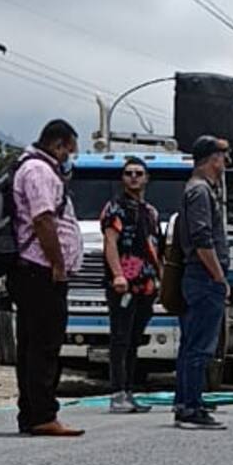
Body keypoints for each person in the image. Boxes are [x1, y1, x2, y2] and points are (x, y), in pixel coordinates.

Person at [10, 119, 84, 437]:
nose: (70, 157)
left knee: (31, 343)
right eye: (70, 150)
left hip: (33, 270)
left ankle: (31, 412)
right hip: (39, 270)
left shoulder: (31, 167)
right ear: (58, 145)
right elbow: (43, 220)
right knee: (44, 344)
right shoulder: (39, 171)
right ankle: (42, 414)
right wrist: (57, 263)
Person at [174, 135, 231, 431]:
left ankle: (186, 400)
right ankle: (191, 408)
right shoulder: (199, 192)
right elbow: (201, 239)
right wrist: (219, 276)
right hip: (203, 277)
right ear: (212, 159)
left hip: (198, 276)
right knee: (200, 345)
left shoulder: (202, 190)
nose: (225, 163)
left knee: (191, 342)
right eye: (223, 157)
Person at [101, 156, 162, 414]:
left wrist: (160, 281)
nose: (134, 177)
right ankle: (117, 393)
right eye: (129, 173)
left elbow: (155, 248)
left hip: (146, 285)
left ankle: (129, 390)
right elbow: (110, 243)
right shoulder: (114, 209)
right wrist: (118, 275)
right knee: (120, 338)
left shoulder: (150, 212)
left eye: (139, 173)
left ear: (147, 178)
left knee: (135, 339)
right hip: (123, 285)